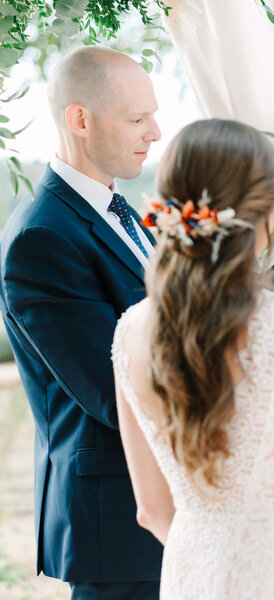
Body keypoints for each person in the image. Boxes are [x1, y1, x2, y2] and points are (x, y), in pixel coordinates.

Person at [111, 118, 274, 599]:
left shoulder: (130, 331)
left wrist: (217, 558)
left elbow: (152, 510)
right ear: (268, 211)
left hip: (192, 580)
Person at [0, 47, 163, 598]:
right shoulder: (42, 238)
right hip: (118, 520)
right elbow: (112, 388)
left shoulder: (120, 211)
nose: (156, 132)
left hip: (166, 507)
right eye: (137, 118)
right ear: (79, 119)